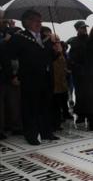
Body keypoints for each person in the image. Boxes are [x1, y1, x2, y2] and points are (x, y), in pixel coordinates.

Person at [7, 10, 61, 145]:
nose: (39, 23)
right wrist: (13, 75)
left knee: (45, 105)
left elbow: (49, 58)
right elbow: (11, 58)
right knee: (30, 107)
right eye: (36, 20)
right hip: (29, 78)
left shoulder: (45, 38)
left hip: (46, 78)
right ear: (26, 22)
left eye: (40, 20)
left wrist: (57, 52)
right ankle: (31, 135)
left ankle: (46, 132)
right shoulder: (19, 38)